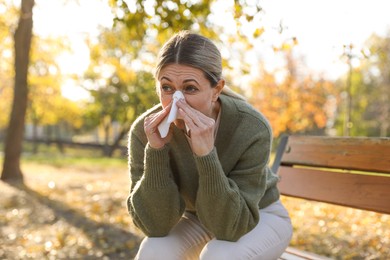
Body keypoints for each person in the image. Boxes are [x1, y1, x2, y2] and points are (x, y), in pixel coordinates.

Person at [127, 30, 293, 260]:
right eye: (167, 87)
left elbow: (230, 227)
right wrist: (155, 151)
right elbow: (155, 226)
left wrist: (206, 154)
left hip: (258, 215)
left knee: (219, 255)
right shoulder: (144, 132)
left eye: (190, 88)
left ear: (216, 90)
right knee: (152, 252)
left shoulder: (252, 127)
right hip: (196, 216)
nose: (177, 100)